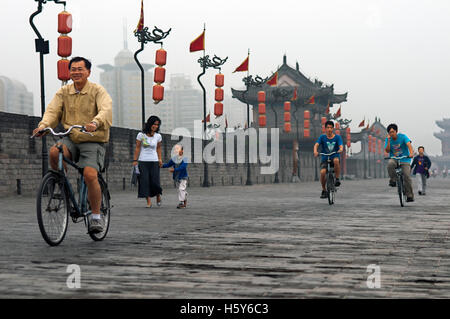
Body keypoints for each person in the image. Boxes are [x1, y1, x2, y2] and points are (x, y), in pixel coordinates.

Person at [32, 56, 112, 233]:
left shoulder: (98, 91)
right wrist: (43, 126)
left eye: (80, 69)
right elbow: (53, 111)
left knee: (90, 175)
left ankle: (96, 217)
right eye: (73, 69)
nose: (76, 72)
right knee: (54, 152)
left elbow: (106, 109)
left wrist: (95, 122)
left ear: (88, 72)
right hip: (71, 138)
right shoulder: (64, 92)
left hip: (93, 139)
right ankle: (61, 184)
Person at [133, 115, 163, 208]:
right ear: (150, 124)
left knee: (155, 181)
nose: (156, 126)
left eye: (157, 125)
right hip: (143, 161)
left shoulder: (158, 136)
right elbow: (137, 148)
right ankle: (148, 201)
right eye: (154, 124)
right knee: (144, 181)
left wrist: (160, 159)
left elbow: (158, 148)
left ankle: (158, 195)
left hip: (154, 161)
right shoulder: (141, 135)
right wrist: (135, 160)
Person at [384, 123, 414, 202]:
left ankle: (409, 195)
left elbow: (409, 145)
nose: (392, 133)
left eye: (393, 131)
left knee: (406, 176)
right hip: (394, 158)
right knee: (390, 164)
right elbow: (387, 150)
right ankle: (393, 180)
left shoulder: (403, 137)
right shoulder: (388, 139)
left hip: (405, 159)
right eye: (390, 132)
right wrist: (389, 141)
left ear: (396, 131)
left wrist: (411, 153)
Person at [313, 120, 343, 199]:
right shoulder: (322, 137)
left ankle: (336, 179)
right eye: (327, 127)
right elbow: (316, 145)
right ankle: (324, 190)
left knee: (336, 160)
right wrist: (315, 151)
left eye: (331, 127)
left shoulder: (337, 137)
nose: (329, 129)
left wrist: (340, 149)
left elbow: (341, 145)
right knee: (323, 172)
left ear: (333, 128)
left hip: (335, 156)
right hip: (325, 158)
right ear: (325, 129)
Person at [162, 144, 189, 209]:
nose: (176, 150)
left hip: (183, 177)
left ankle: (181, 203)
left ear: (182, 150)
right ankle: (184, 195)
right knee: (181, 190)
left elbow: (182, 167)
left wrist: (174, 170)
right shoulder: (174, 158)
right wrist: (161, 165)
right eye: (175, 149)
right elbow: (168, 164)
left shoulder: (185, 158)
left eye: (178, 149)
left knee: (181, 189)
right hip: (177, 178)